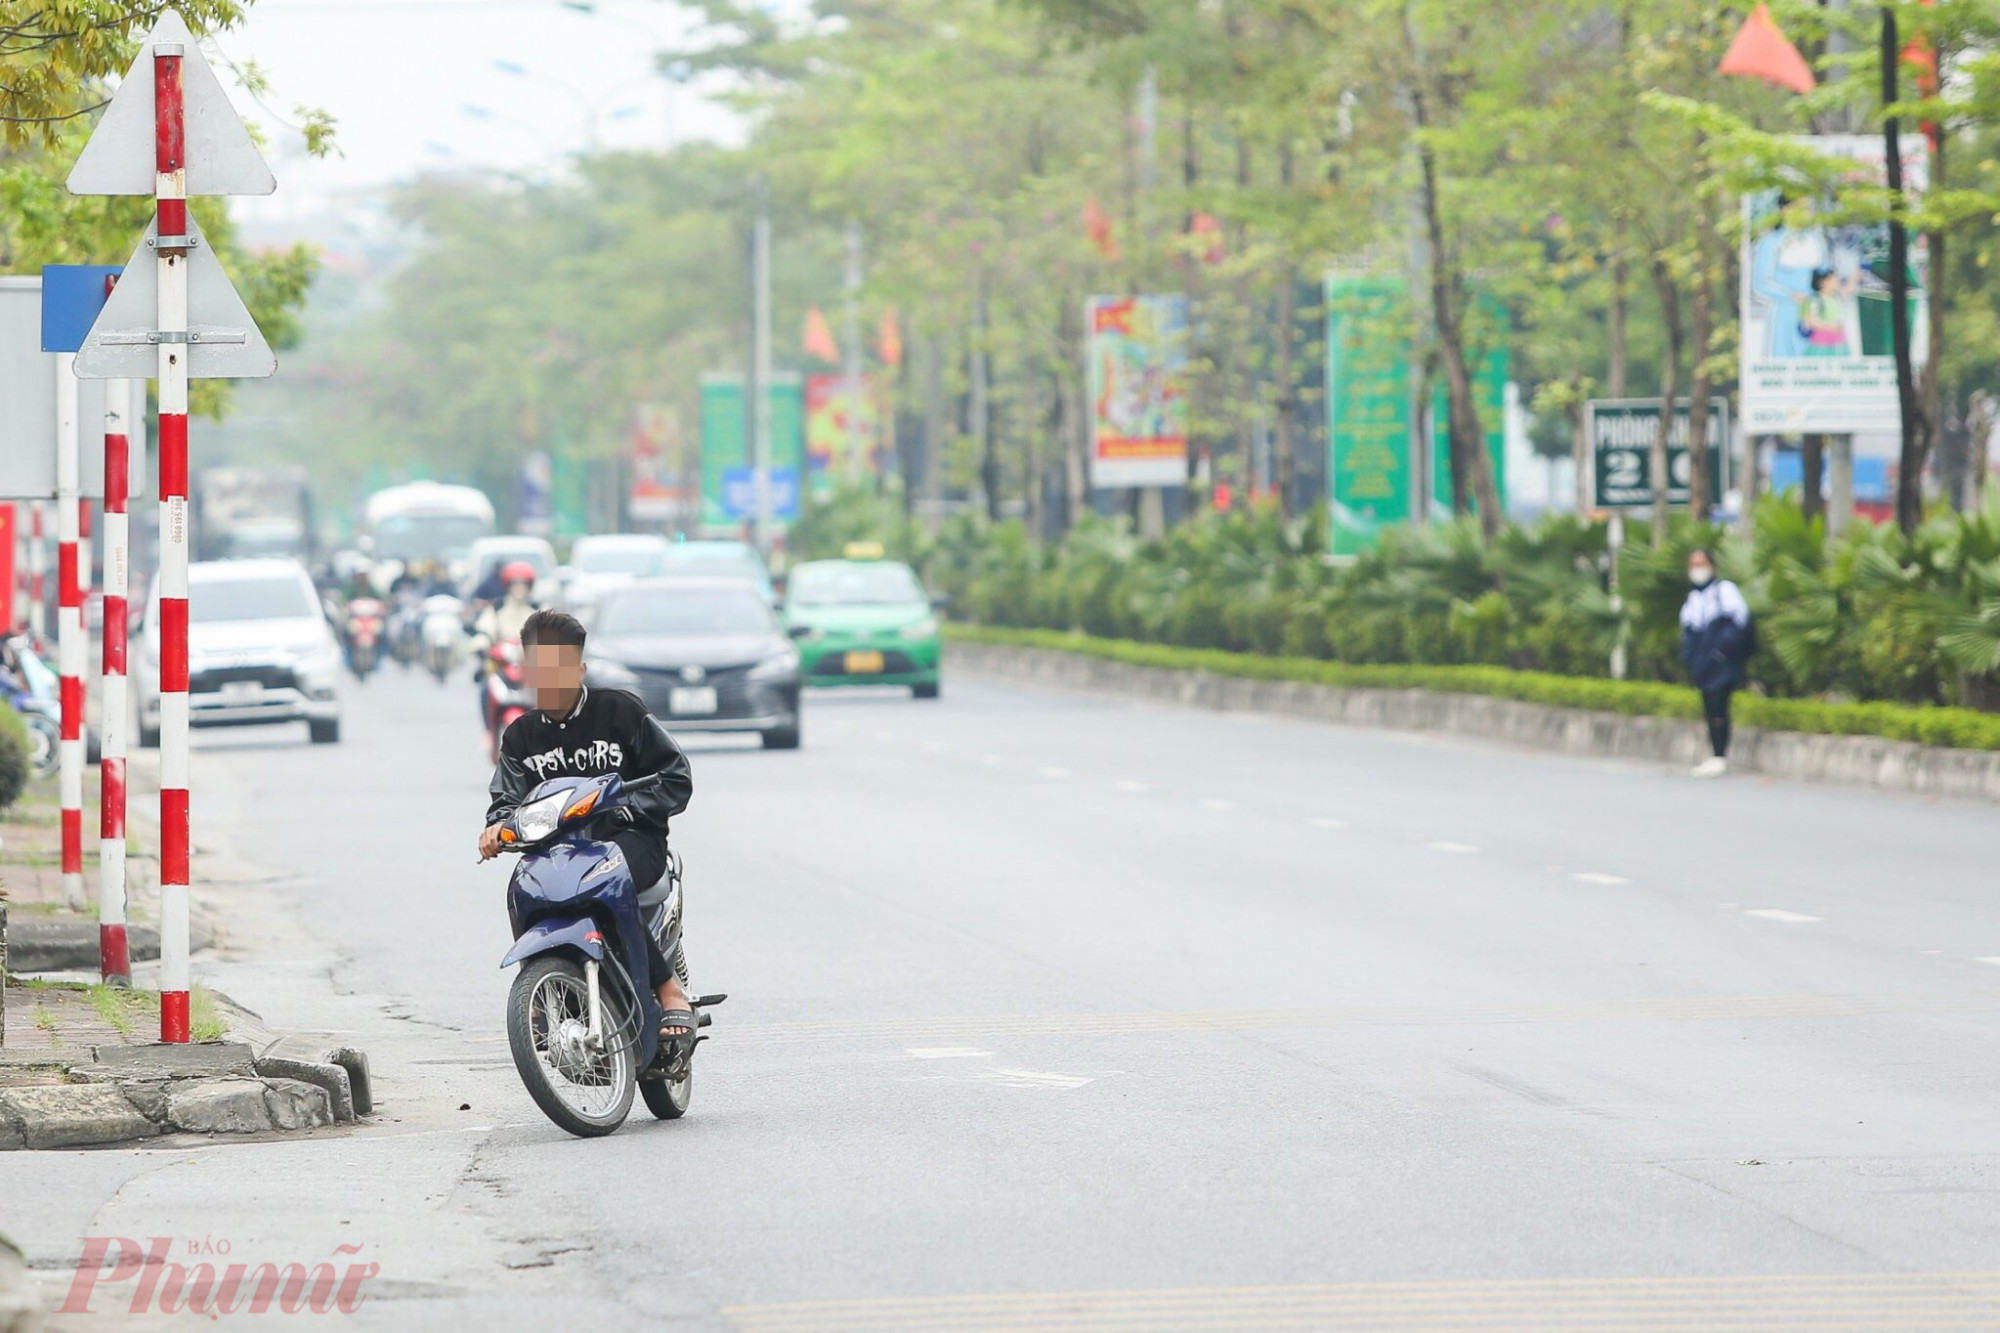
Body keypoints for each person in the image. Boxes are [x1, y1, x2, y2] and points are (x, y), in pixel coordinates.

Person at [479, 609, 700, 1044]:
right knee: (523, 889)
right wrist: (496, 828)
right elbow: (505, 799)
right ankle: (543, 995)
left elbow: (675, 777)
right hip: (558, 852)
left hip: (631, 840)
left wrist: (628, 808)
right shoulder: (519, 736)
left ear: (580, 668)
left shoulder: (620, 711)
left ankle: (668, 989)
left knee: (607, 884)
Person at [1680, 548, 1753, 779]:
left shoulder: (1725, 591)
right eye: (1694, 564)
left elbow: (1740, 620)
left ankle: (1721, 755)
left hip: (1724, 661)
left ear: (1712, 566)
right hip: (1703, 663)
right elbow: (1689, 631)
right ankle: (1715, 754)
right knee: (1709, 707)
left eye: (1701, 563)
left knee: (1720, 705)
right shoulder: (1693, 598)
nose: (1698, 569)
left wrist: (1722, 651)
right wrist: (1692, 658)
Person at [474, 561, 540, 649]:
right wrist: (480, 643)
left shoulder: (539, 610)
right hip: (501, 660)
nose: (520, 587)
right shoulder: (496, 609)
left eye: (524, 583)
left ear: (530, 586)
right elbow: (486, 630)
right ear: (508, 585)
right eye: (515, 583)